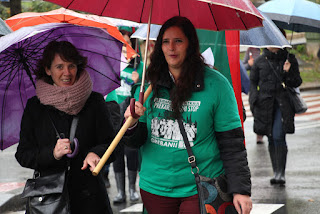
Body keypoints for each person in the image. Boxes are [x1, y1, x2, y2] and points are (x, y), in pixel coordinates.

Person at [123, 16, 252, 214]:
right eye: (165, 41)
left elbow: (232, 144)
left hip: (200, 186)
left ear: (190, 45)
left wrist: (241, 190)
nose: (171, 47)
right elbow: (135, 142)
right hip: (155, 188)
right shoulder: (149, 84)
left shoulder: (216, 85)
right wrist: (132, 123)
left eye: (178, 41)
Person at [15, 41, 115, 214]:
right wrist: (52, 154)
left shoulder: (95, 102)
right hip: (50, 201)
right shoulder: (35, 107)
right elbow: (23, 154)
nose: (67, 73)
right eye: (59, 67)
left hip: (90, 200)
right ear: (48, 70)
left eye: (71, 66)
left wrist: (97, 152)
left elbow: (114, 145)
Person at [248, 44, 302, 185]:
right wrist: (254, 100)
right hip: (264, 105)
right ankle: (276, 172)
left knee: (278, 135)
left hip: (283, 105)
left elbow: (296, 82)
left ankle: (281, 173)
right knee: (271, 137)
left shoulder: (289, 59)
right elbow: (252, 82)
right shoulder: (260, 61)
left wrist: (287, 71)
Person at [105, 28, 142, 203]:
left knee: (132, 153)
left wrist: (138, 81)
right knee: (117, 154)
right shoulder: (110, 64)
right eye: (121, 43)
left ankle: (132, 190)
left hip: (130, 115)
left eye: (128, 43)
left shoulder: (139, 67)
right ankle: (120, 192)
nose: (125, 47)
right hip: (113, 114)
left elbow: (143, 93)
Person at [243, 47, 264, 144]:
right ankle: (259, 133)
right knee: (255, 108)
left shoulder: (265, 50)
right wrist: (249, 64)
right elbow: (243, 67)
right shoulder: (250, 50)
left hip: (265, 84)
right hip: (254, 85)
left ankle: (262, 134)